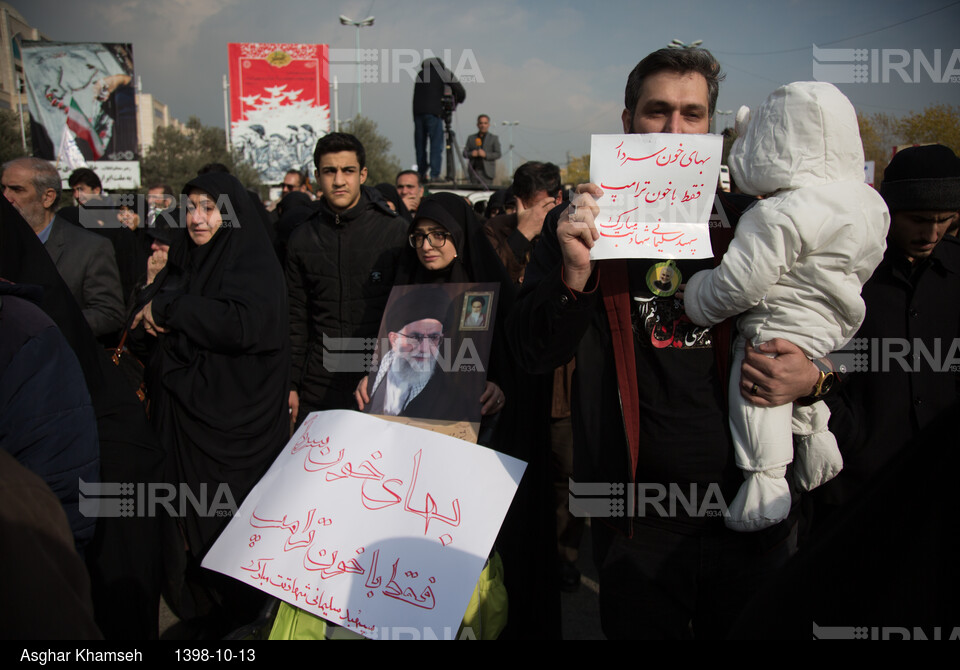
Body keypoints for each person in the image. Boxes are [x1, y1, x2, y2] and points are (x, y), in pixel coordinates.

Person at [507, 47, 816, 639]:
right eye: (657, 112)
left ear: (712, 129)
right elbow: (530, 353)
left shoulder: (756, 222)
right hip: (636, 523)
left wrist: (815, 377)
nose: (675, 131)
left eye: (692, 115)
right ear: (627, 122)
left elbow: (835, 326)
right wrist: (573, 276)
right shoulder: (579, 226)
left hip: (749, 504)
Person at [682, 82, 889, 531]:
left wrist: (697, 296)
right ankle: (815, 438)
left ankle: (766, 483)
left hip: (779, 318)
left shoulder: (776, 214)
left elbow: (739, 285)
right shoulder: (868, 203)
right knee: (792, 380)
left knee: (756, 387)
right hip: (835, 321)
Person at [133, 172, 290, 635]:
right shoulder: (186, 259)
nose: (198, 219)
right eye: (192, 208)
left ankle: (244, 614)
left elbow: (244, 324)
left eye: (210, 208)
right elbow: (145, 313)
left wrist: (172, 311)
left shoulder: (253, 263)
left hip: (234, 422)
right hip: (185, 420)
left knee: (233, 522)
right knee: (190, 525)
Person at [813, 144, 960, 518]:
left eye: (945, 219)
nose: (932, 232)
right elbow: (826, 357)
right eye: (918, 218)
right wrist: (852, 437)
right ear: (889, 210)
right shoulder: (850, 269)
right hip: (856, 489)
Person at [286, 133, 408, 424]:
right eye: (329, 171)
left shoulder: (395, 232)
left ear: (363, 174)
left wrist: (385, 371)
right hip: (318, 383)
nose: (339, 181)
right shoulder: (301, 237)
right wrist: (290, 382)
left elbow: (408, 312)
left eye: (348, 171)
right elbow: (295, 317)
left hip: (381, 381)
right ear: (317, 176)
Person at [2, 157, 124, 340]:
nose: (6, 198)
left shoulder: (90, 248)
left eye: (17, 190)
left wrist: (42, 323)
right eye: (2, 188)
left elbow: (109, 314)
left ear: (47, 197)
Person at [484, 161, 562, 284]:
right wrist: (522, 235)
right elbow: (490, 278)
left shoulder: (567, 229)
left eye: (539, 207)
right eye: (528, 209)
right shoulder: (495, 228)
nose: (531, 216)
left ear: (558, 199)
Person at [412, 58, 465, 182]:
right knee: (436, 145)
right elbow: (461, 91)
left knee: (420, 145)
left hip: (417, 113)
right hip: (434, 113)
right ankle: (434, 175)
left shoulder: (420, 74)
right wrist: (455, 102)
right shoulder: (442, 72)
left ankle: (421, 174)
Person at [463, 114, 502, 185]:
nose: (483, 125)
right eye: (481, 123)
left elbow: (498, 154)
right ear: (477, 125)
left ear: (488, 125)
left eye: (485, 123)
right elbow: (464, 153)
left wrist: (485, 155)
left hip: (487, 173)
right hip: (474, 172)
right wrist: (471, 154)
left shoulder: (493, 138)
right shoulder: (471, 138)